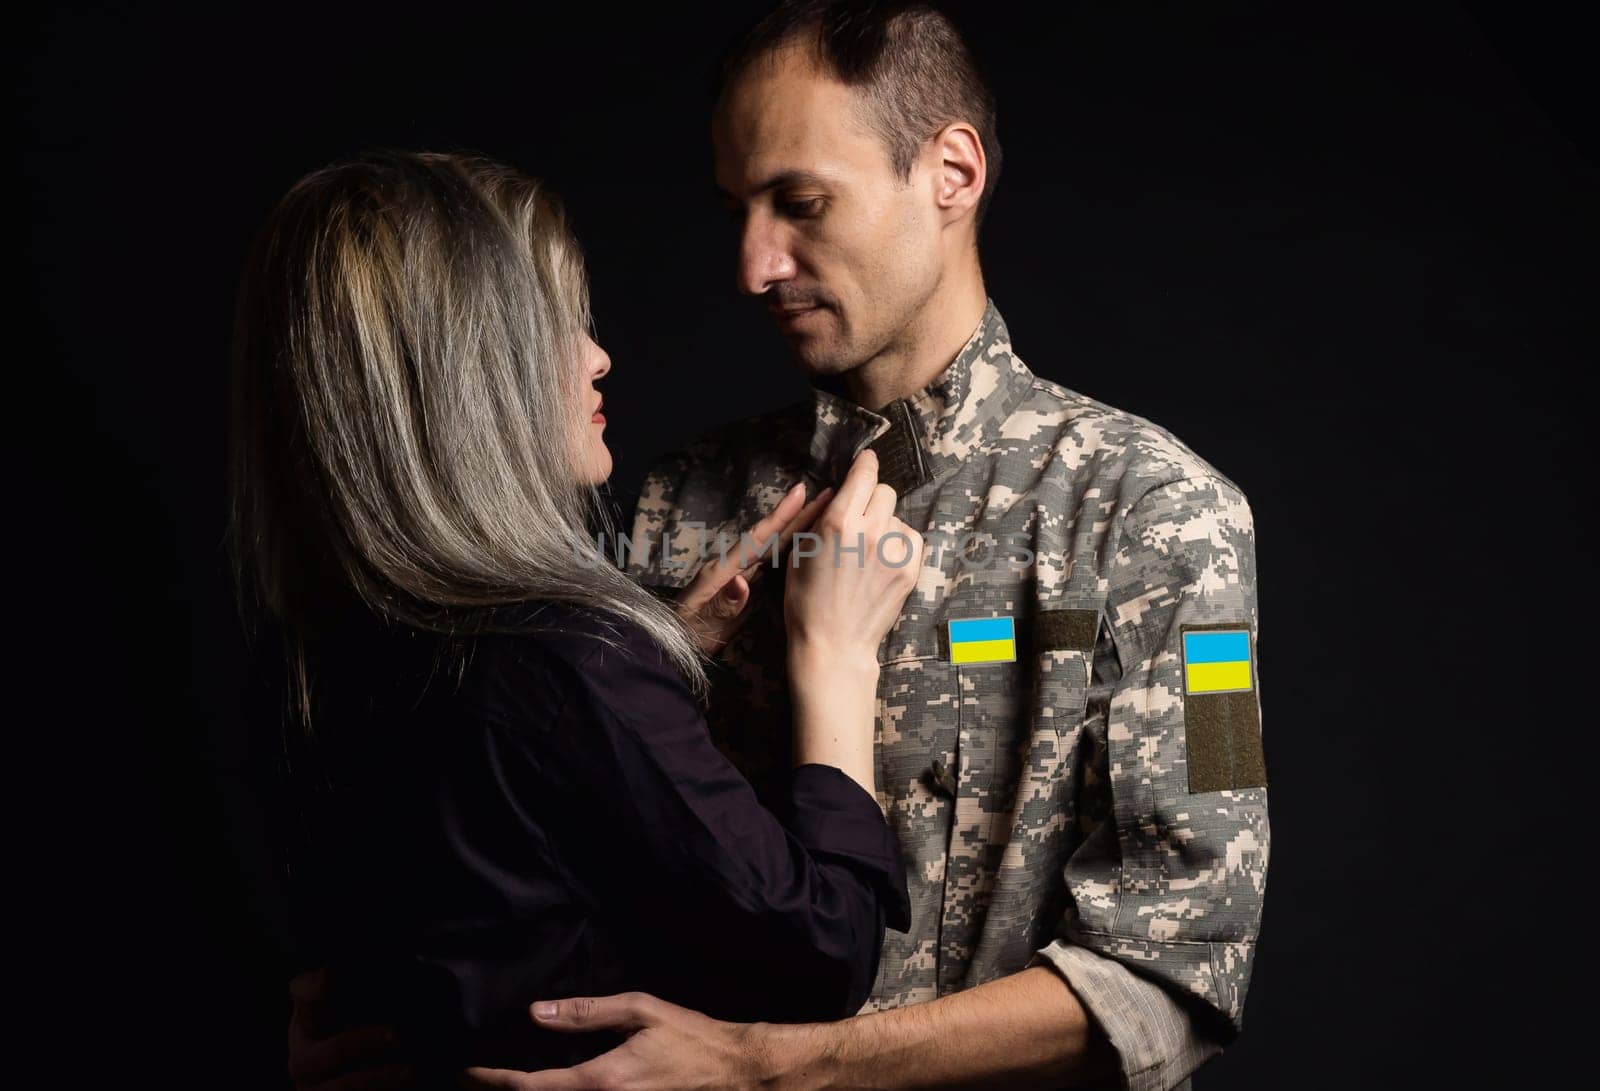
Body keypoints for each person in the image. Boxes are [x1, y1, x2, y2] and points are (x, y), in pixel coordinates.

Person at [291, 3, 1270, 1089]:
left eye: (801, 204)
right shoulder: (669, 505)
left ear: (951, 172)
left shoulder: (1162, 513)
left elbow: (1175, 969)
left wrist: (777, 1064)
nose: (755, 265)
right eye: (737, 211)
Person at [229, 149, 927, 1082]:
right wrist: (833, 655)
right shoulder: (622, 570)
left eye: (800, 201)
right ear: (472, 372)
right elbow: (820, 951)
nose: (600, 355)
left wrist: (663, 647)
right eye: (559, 327)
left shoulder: (319, 638)